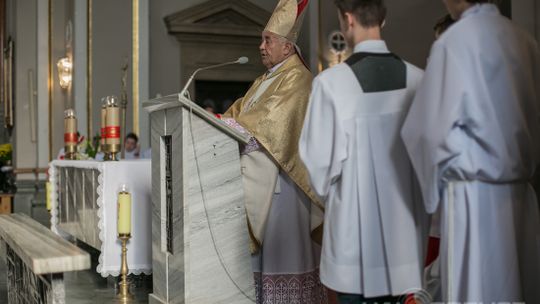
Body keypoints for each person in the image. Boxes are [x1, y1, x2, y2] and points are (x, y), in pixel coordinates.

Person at [401, 0, 540, 302]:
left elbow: (426, 131)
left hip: (473, 199)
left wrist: (430, 191)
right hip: (520, 196)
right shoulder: (525, 40)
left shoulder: (455, 40)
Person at [299, 1, 428, 303]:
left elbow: (318, 172)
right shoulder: (420, 80)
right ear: (383, 18)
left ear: (347, 19)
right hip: (405, 243)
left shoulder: (330, 85)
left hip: (352, 245)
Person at [223, 0, 327, 303]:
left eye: (268, 39)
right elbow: (237, 114)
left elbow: (268, 127)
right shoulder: (263, 81)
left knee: (285, 260)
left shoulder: (298, 79)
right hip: (264, 184)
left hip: (286, 188)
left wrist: (232, 127)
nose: (261, 46)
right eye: (262, 39)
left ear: (288, 46)